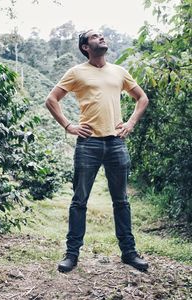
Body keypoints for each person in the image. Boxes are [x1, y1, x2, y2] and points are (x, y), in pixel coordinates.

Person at [45, 29, 149, 273]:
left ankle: (129, 253)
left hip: (116, 143)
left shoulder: (119, 71)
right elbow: (52, 99)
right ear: (85, 47)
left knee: (121, 200)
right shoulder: (76, 72)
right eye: (94, 37)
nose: (101, 38)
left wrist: (131, 123)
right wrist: (69, 126)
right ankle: (71, 255)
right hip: (88, 143)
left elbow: (141, 98)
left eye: (102, 35)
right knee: (79, 200)